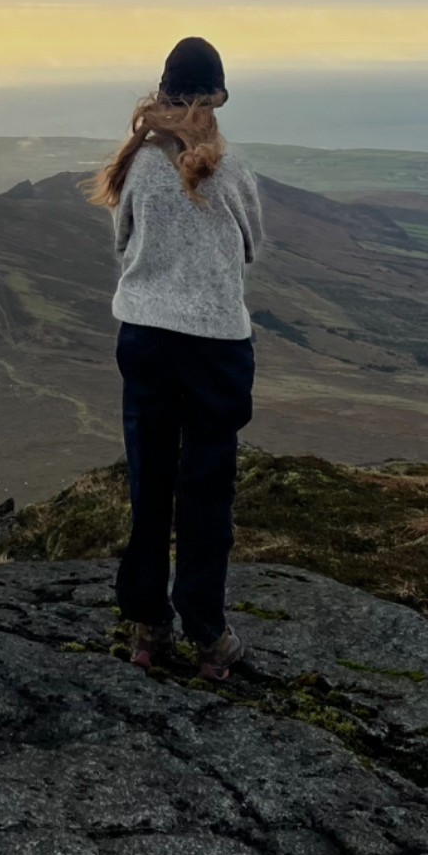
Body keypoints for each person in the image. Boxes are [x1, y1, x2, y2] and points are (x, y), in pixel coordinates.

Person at [85, 37, 264, 681]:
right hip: (217, 344)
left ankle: (148, 629)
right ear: (216, 98)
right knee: (207, 490)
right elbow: (251, 247)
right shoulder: (235, 169)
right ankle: (208, 635)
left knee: (150, 481)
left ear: (162, 94)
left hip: (147, 339)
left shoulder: (137, 164)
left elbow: (124, 241)